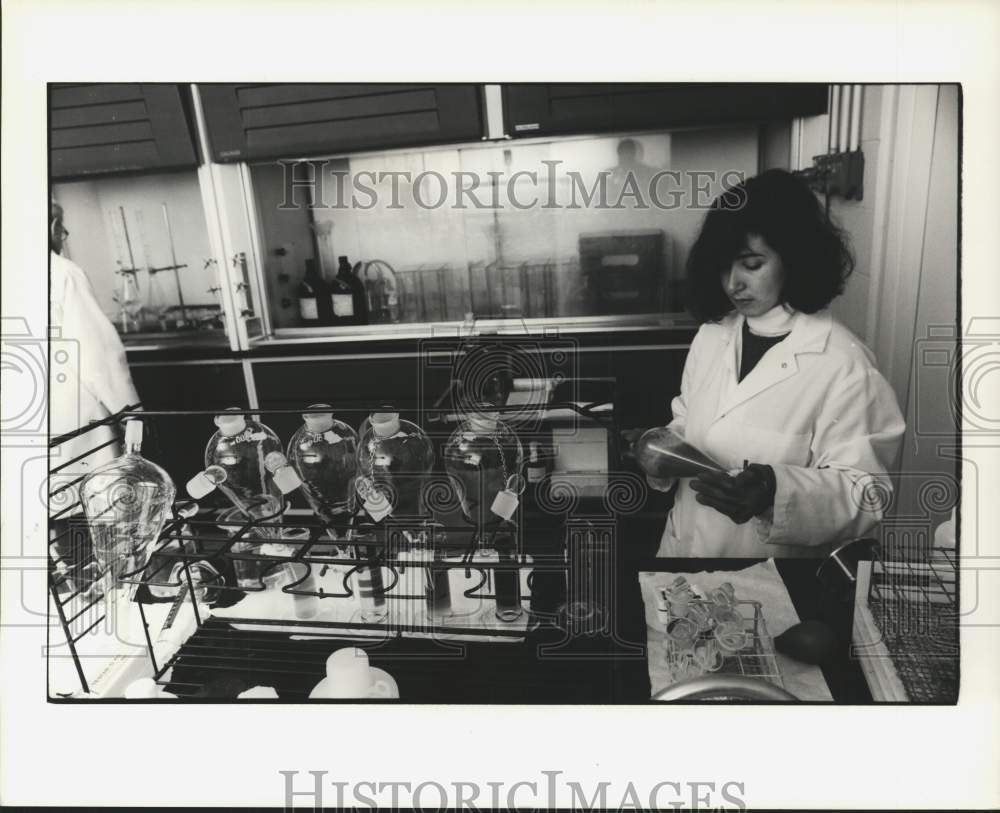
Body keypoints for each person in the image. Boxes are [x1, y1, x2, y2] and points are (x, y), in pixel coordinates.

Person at [632, 169, 905, 558]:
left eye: (752, 264)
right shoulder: (714, 335)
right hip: (683, 552)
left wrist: (772, 493)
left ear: (795, 258)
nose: (732, 284)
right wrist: (660, 452)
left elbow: (867, 492)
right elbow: (689, 421)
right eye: (724, 266)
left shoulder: (843, 364)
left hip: (770, 578)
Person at [49, 201, 142, 589]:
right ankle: (108, 592)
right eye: (61, 226)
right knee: (95, 503)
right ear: (52, 225)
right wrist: (131, 410)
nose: (65, 235)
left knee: (49, 505)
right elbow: (96, 354)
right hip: (70, 406)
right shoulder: (62, 272)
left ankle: (69, 584)